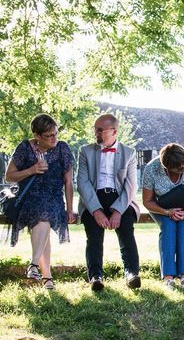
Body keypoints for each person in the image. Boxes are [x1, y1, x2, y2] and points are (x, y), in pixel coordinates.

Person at [4, 114, 75, 290]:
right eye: (49, 135)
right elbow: (9, 176)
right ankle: (45, 275)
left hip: (54, 198)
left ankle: (35, 267)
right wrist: (32, 169)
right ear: (37, 135)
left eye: (56, 134)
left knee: (43, 218)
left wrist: (70, 209)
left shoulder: (62, 149)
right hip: (29, 198)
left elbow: (68, 182)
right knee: (42, 217)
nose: (54, 138)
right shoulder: (24, 148)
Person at [77, 114, 141, 291]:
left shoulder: (129, 153)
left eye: (100, 130)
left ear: (114, 131)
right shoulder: (85, 151)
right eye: (95, 129)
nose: (96, 133)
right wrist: (96, 210)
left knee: (127, 233)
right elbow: (82, 183)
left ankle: (132, 274)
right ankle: (96, 277)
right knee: (94, 237)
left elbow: (131, 185)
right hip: (93, 197)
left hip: (120, 198)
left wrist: (118, 211)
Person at [142, 143, 184, 289]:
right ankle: (168, 277)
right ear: (166, 167)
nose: (182, 170)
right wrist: (167, 212)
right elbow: (147, 201)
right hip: (161, 208)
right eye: (177, 169)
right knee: (168, 227)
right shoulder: (152, 168)